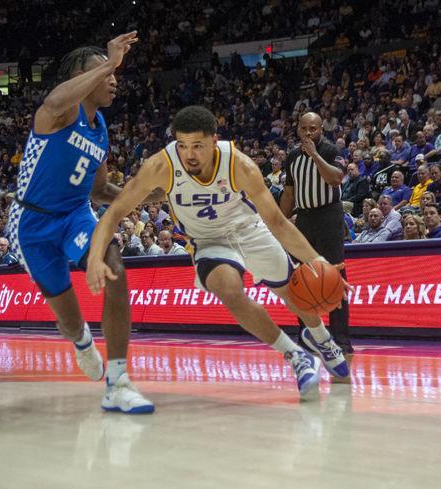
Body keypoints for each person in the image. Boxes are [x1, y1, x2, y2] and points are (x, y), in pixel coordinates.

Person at [87, 105, 351, 400]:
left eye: (197, 146)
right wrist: (96, 257)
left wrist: (317, 261)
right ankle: (296, 356)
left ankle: (322, 338)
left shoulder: (239, 164)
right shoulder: (160, 166)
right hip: (207, 240)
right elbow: (115, 212)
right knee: (228, 289)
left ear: (214, 141)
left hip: (248, 229)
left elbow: (277, 221)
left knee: (294, 291)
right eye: (183, 145)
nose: (189, 154)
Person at [6, 32, 156, 414]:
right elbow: (54, 98)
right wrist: (110, 60)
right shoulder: (57, 113)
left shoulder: (100, 127)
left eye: (114, 74)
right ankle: (83, 341)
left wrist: (148, 194)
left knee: (116, 269)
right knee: (70, 322)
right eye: (103, 73)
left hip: (75, 215)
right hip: (32, 223)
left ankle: (118, 381)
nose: (113, 78)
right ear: (79, 76)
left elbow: (101, 190)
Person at [279, 112, 353, 356]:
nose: (308, 133)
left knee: (335, 276)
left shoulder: (331, 150)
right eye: (303, 128)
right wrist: (278, 223)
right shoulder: (291, 157)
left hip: (329, 217)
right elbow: (289, 194)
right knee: (302, 278)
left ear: (321, 128)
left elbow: (336, 178)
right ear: (298, 129)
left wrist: (315, 155)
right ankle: (308, 336)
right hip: (305, 219)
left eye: (313, 128)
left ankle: (341, 339)